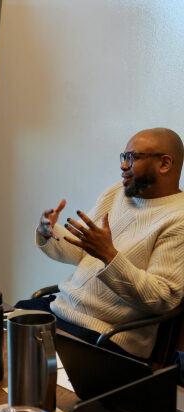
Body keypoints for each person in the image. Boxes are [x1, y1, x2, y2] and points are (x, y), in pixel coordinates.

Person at [22, 128, 184, 359]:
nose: (123, 166)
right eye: (124, 157)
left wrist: (109, 256)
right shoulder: (117, 193)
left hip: (106, 334)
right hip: (60, 309)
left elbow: (162, 299)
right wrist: (49, 232)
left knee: (25, 367)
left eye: (133, 157)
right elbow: (81, 249)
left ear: (165, 164)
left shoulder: (179, 219)